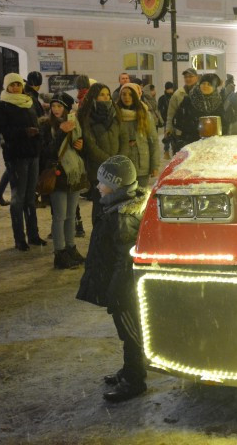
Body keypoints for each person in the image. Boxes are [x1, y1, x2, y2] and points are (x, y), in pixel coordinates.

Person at [76, 155, 148, 403]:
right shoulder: (116, 206)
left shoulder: (124, 216)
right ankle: (129, 370)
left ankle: (135, 380)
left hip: (125, 289)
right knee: (125, 331)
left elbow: (125, 261)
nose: (97, 186)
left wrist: (116, 293)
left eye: (101, 182)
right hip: (119, 285)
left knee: (131, 334)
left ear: (116, 185)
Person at [0, 73, 45, 250]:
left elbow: (38, 125)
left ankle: (33, 234)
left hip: (33, 154)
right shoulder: (2, 106)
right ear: (6, 87)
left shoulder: (28, 102)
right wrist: (24, 132)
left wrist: (38, 136)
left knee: (31, 197)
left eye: (18, 84)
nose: (15, 87)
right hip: (16, 156)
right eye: (12, 85)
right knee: (18, 198)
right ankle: (19, 238)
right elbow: (2, 131)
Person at [43, 92, 87, 269]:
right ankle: (59, 253)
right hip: (58, 173)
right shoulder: (47, 126)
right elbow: (48, 152)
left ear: (67, 109)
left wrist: (80, 146)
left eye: (59, 106)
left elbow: (78, 149)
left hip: (74, 172)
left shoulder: (75, 125)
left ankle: (71, 248)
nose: (55, 110)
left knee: (71, 215)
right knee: (59, 216)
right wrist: (61, 133)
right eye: (53, 106)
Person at [77, 83, 123, 223]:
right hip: (98, 169)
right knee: (99, 204)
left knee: (114, 204)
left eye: (107, 94)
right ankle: (98, 234)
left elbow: (124, 137)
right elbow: (90, 144)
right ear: (94, 96)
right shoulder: (87, 115)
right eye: (102, 94)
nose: (106, 97)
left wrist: (119, 159)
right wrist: (109, 161)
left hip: (116, 167)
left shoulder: (115, 113)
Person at [116, 83, 159, 187]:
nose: (126, 97)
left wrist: (154, 166)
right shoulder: (115, 114)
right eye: (124, 94)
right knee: (125, 199)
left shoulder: (144, 114)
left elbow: (153, 141)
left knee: (141, 198)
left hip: (142, 163)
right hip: (122, 164)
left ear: (136, 96)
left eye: (130, 95)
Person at [172, 73, 224, 151]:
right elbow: (178, 120)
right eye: (203, 83)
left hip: (213, 145)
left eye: (209, 84)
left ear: (214, 87)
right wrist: (195, 127)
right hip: (192, 143)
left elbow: (224, 121)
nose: (205, 86)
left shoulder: (219, 102)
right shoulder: (189, 100)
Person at [165, 68, 198, 151]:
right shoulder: (178, 94)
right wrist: (169, 129)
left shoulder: (201, 92)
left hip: (198, 132)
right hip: (182, 133)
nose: (188, 79)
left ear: (196, 78)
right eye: (186, 77)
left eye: (190, 76)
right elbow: (171, 114)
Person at [157, 82, 174, 158]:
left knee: (173, 136)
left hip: (174, 120)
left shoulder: (174, 97)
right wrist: (162, 119)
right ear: (166, 89)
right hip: (166, 120)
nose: (170, 90)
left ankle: (174, 150)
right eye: (169, 89)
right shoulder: (162, 98)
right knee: (167, 136)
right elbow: (159, 110)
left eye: (171, 88)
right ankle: (166, 152)